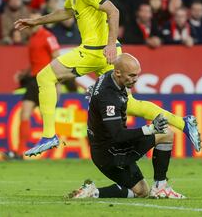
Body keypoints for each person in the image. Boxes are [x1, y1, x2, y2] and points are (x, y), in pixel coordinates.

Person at [14, 0, 202, 157]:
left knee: (45, 76)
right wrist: (35, 21)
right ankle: (183, 123)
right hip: (105, 52)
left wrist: (110, 44)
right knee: (130, 104)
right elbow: (67, 12)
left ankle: (49, 135)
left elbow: (113, 11)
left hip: (96, 51)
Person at [68, 54, 192, 199]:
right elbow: (118, 135)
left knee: (142, 191)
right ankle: (160, 186)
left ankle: (92, 192)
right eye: (132, 75)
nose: (135, 79)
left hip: (102, 153)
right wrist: (150, 129)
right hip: (112, 151)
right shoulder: (109, 98)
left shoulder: (110, 76)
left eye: (137, 75)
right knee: (166, 133)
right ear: (118, 73)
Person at [3, 12, 60, 160]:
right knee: (24, 113)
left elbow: (56, 55)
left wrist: (56, 80)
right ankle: (19, 151)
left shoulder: (48, 36)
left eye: (36, 19)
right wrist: (24, 74)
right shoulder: (32, 38)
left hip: (46, 81)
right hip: (33, 80)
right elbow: (36, 61)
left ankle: (59, 144)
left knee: (46, 115)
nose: (33, 22)